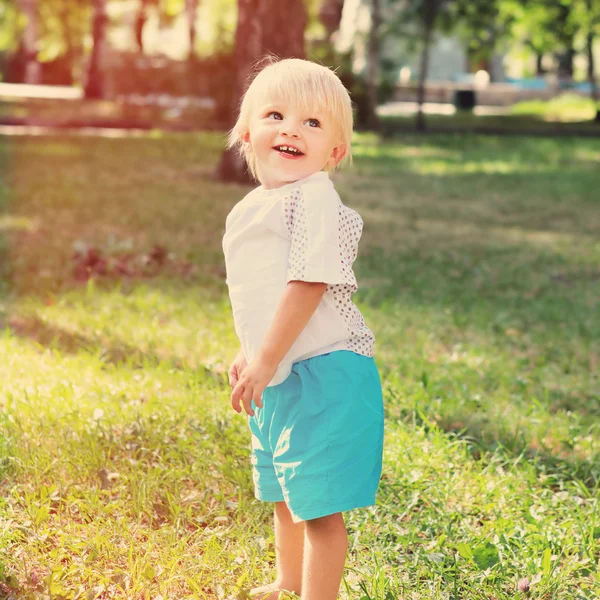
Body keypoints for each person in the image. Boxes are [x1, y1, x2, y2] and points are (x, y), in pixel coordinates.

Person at [221, 57, 384, 600]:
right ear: (247, 131)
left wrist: (267, 358)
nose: (291, 128)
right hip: (280, 370)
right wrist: (252, 352)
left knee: (317, 503)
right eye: (276, 114)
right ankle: (289, 580)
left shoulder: (314, 196)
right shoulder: (253, 207)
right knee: (284, 489)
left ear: (334, 152)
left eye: (313, 123)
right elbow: (260, 291)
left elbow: (308, 283)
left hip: (325, 371)